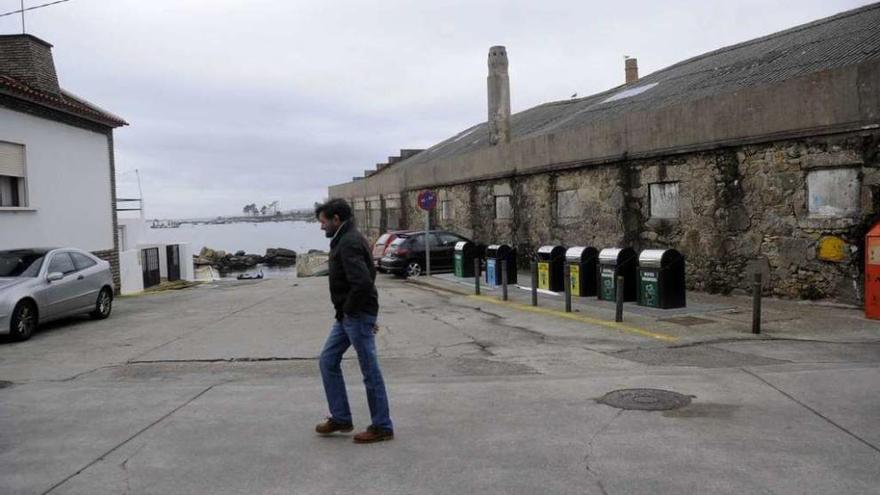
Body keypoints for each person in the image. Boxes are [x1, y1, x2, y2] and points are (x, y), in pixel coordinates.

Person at [313, 198, 394, 443]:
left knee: (370, 371)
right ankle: (341, 417)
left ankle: (382, 426)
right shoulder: (345, 239)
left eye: (324, 222)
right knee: (328, 360)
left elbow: (362, 281)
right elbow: (369, 273)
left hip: (355, 315)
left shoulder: (348, 242)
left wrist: (355, 313)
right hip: (350, 315)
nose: (321, 227)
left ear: (336, 219)